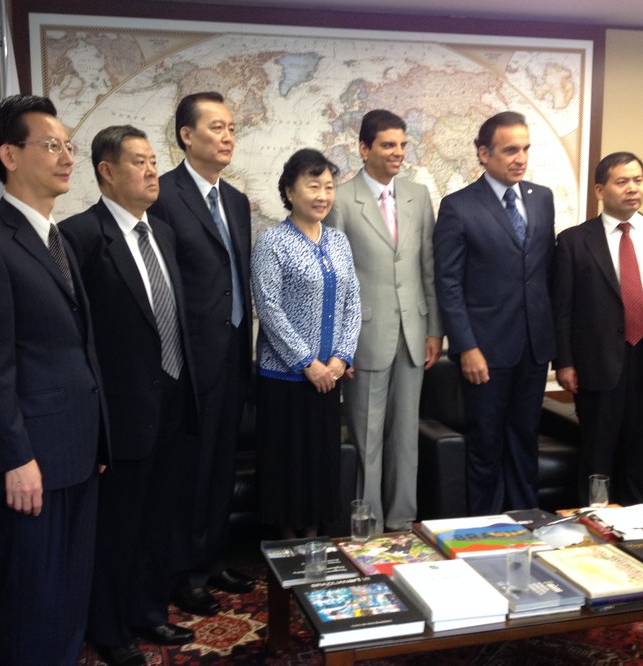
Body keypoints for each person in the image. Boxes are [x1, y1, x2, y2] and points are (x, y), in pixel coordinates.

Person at [0, 94, 109, 664]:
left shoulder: (56, 237)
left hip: (78, 450)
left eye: (68, 145)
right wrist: (15, 458)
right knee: (36, 599)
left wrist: (99, 438)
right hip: (33, 461)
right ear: (10, 155)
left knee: (70, 592)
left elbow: (76, 347)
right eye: (51, 145)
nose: (67, 157)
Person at [60, 126, 195, 665]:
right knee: (118, 528)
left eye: (154, 160)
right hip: (120, 414)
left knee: (159, 518)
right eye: (139, 161)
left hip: (172, 399)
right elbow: (78, 337)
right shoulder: (79, 236)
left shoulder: (162, 232)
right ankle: (110, 630)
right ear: (107, 171)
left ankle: (148, 612)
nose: (152, 170)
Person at [148, 92, 255, 616]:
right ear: (186, 136)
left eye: (231, 127)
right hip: (188, 361)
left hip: (233, 352)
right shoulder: (163, 195)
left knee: (221, 467)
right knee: (189, 471)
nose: (227, 136)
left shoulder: (235, 199)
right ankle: (182, 574)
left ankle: (213, 561)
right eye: (216, 127)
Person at [552, 152, 643, 505]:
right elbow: (562, 310)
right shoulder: (574, 241)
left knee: (641, 449)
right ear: (600, 190)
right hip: (595, 362)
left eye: (637, 180)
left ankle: (641, 513)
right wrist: (564, 363)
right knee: (598, 450)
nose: (632, 188)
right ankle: (595, 516)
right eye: (622, 182)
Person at [433, 111, 556, 515]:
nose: (520, 158)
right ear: (484, 154)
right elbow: (448, 284)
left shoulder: (542, 198)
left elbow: (544, 271)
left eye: (525, 149)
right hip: (484, 350)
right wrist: (466, 347)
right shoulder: (458, 206)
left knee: (525, 440)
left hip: (533, 347)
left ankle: (525, 522)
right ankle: (484, 531)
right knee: (486, 445)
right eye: (510, 150)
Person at [326, 109, 442, 532]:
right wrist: (339, 347)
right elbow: (336, 281)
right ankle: (367, 524)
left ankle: (401, 520)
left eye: (402, 145)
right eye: (388, 144)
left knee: (405, 435)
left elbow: (428, 266)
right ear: (364, 149)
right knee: (367, 437)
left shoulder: (418, 195)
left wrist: (435, 329)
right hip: (364, 338)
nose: (398, 152)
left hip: (414, 334)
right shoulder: (341, 199)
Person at [251, 148, 361, 536]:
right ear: (289, 191)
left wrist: (341, 357)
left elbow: (352, 302)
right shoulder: (272, 241)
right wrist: (306, 363)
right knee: (288, 471)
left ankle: (315, 546)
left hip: (329, 378)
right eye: (313, 186)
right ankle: (286, 553)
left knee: (320, 468)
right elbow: (269, 308)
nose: (322, 195)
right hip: (285, 380)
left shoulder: (339, 241)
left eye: (329, 187)